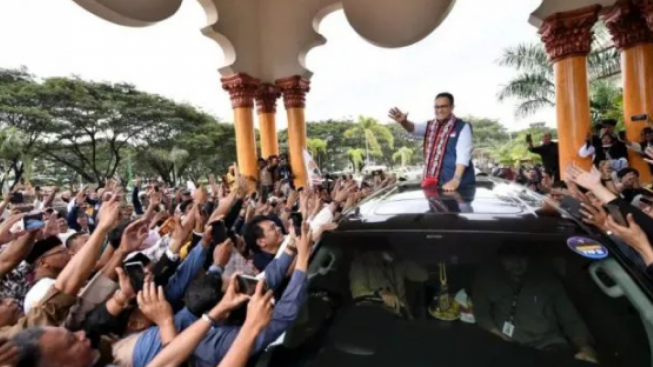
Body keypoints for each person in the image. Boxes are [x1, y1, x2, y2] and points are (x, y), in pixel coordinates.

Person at [473, 246, 597, 363]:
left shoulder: (548, 281)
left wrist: (585, 348)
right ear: (501, 260)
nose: (517, 263)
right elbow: (482, 315)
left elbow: (570, 319)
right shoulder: (488, 280)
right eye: (510, 259)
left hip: (548, 348)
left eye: (522, 258)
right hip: (507, 348)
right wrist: (501, 341)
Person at [389, 92, 474, 191]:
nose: (439, 110)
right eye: (436, 107)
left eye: (443, 106)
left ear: (452, 108)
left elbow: (463, 157)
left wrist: (456, 180)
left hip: (458, 186)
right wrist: (403, 122)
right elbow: (413, 128)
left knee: (458, 206)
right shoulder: (430, 125)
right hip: (434, 186)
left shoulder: (462, 127)